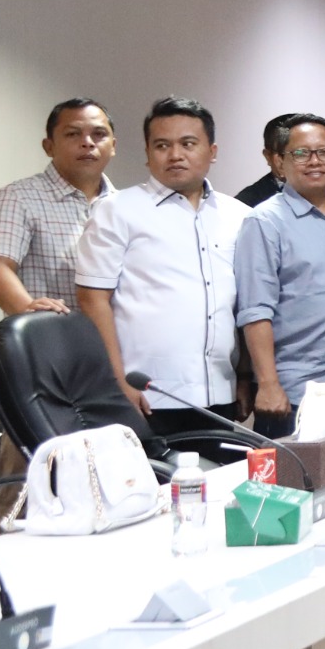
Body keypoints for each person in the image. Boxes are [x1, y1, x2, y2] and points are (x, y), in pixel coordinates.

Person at [74, 97, 245, 444]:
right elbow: (92, 300)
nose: (175, 155)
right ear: (148, 153)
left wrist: (244, 377)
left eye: (188, 144)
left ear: (212, 151)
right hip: (147, 395)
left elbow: (243, 304)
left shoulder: (239, 215)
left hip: (220, 392)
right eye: (162, 145)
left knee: (221, 477)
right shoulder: (117, 210)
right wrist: (118, 382)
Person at [232, 115, 325, 439]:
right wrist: (268, 384)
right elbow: (254, 310)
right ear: (281, 162)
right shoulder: (264, 221)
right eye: (301, 153)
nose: (314, 161)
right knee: (296, 474)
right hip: (293, 393)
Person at [0, 98, 115, 315]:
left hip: (117, 333)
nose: (88, 143)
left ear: (113, 146)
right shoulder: (19, 197)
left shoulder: (126, 205)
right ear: (49, 147)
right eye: (73, 134)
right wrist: (29, 313)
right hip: (52, 333)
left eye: (99, 134)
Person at [233, 113, 298, 207]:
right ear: (268, 156)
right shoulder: (245, 203)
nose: (314, 161)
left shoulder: (320, 191)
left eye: (319, 151)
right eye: (299, 152)